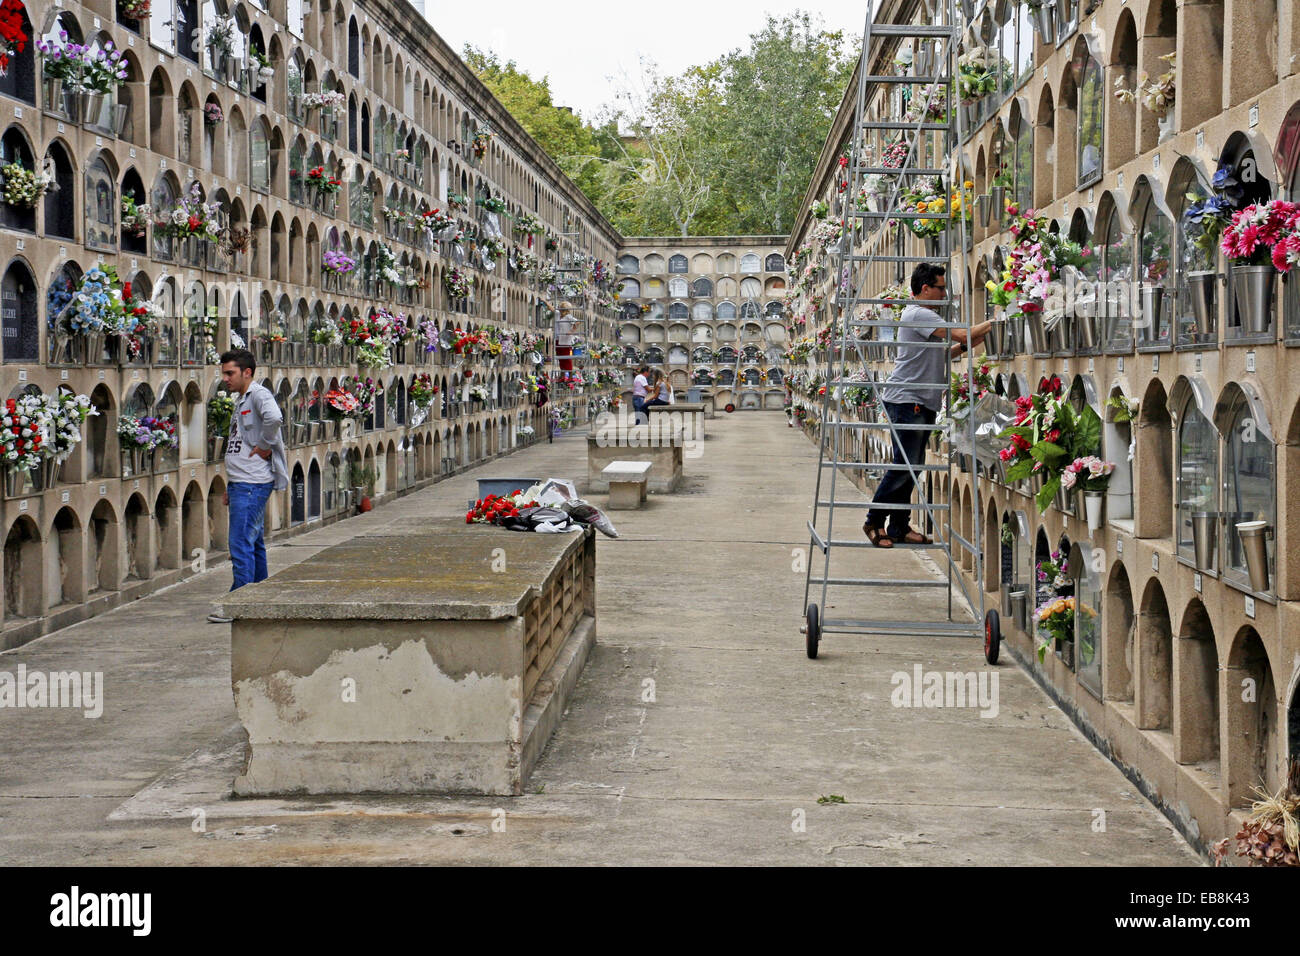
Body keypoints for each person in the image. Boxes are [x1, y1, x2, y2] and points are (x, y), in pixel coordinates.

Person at [864, 263, 991, 548]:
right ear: (925, 289)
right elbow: (960, 334)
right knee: (904, 466)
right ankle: (874, 520)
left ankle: (898, 526)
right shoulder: (918, 313)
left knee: (913, 466)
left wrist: (970, 342)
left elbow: (945, 352)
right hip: (907, 400)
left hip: (920, 401)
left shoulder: (925, 317)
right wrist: (998, 320)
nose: (945, 294)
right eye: (941, 288)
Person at [207, 349, 289, 623]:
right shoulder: (242, 398)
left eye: (230, 373)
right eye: (223, 373)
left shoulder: (259, 395)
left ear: (247, 373)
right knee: (253, 543)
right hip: (243, 483)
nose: (225, 379)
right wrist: (232, 486)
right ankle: (259, 595)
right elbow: (238, 441)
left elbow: (275, 418)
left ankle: (238, 601)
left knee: (240, 542)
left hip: (253, 483)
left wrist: (265, 446)